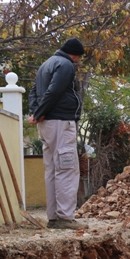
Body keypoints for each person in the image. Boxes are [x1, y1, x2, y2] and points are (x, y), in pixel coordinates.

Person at [29, 37, 86, 229]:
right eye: (78, 58)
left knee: (52, 168)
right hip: (61, 121)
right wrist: (40, 112)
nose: (77, 62)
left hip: (47, 125)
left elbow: (33, 91)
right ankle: (65, 217)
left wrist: (37, 112)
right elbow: (54, 91)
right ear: (75, 54)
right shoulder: (65, 64)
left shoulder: (45, 65)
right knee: (66, 167)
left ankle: (53, 217)